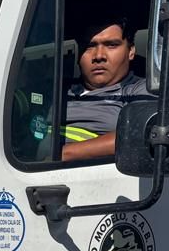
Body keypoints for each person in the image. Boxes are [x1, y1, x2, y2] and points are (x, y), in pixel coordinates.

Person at [61, 16, 148, 161]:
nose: (99, 56)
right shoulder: (55, 90)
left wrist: (62, 154)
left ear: (131, 51)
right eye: (89, 46)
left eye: (111, 45)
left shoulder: (139, 90)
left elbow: (140, 134)